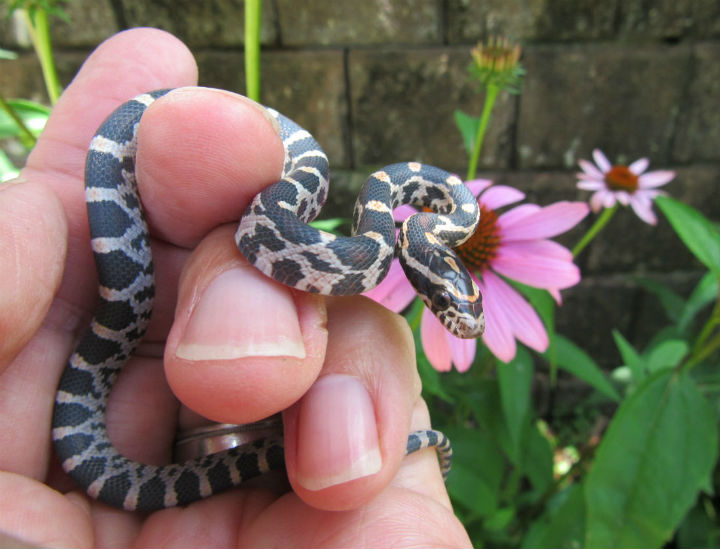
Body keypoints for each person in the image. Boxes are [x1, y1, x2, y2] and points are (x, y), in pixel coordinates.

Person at [0, 28, 471, 547]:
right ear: (426, 266)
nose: (459, 318)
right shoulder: (381, 226)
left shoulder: (405, 227)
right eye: (449, 302)